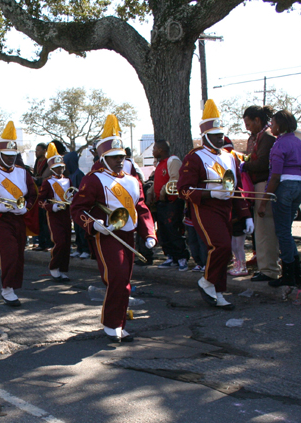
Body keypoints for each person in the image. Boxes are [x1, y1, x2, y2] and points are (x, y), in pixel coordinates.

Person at [71, 115, 156, 342]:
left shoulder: (132, 180)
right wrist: (93, 224)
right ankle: (111, 324)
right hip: (106, 235)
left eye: (121, 157)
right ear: (103, 158)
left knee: (124, 281)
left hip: (128, 234)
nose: (119, 161)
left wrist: (148, 232)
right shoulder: (93, 180)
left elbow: (141, 207)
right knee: (117, 277)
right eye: (114, 157)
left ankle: (119, 322)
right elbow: (77, 208)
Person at [179, 100, 253, 310]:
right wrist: (211, 192)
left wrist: (246, 215)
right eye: (215, 135)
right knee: (219, 246)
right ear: (205, 137)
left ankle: (218, 292)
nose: (220, 138)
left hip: (226, 208)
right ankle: (206, 282)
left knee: (225, 250)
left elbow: (237, 189)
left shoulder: (231, 158)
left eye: (221, 135)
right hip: (204, 208)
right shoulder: (194, 157)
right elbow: (184, 189)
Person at [0, 121, 37, 306]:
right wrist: (0, 208)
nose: (10, 159)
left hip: (19, 218)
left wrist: (27, 207)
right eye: (6, 156)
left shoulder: (23, 173)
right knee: (8, 252)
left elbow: (32, 194)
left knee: (19, 253)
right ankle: (6, 289)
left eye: (13, 155)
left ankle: (12, 286)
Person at [258, 109, 301, 288]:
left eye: (273, 123)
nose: (271, 126)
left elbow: (275, 176)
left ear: (279, 125)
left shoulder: (278, 145)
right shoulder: (300, 143)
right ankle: (297, 275)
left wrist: (263, 202)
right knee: (288, 231)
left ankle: (289, 275)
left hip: (284, 187)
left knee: (283, 233)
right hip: (299, 187)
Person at [241, 105, 280, 282]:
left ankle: (269, 270)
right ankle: (265, 267)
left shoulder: (268, 137)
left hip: (264, 184)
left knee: (266, 230)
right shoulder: (260, 137)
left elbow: (264, 163)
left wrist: (245, 164)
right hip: (259, 184)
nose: (247, 128)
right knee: (262, 229)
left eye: (248, 124)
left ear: (257, 120)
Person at [152, 139, 190, 271]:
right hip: (161, 203)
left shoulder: (173, 161)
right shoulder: (159, 164)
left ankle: (181, 257)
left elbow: (175, 179)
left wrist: (163, 191)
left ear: (161, 150)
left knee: (173, 229)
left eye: (155, 148)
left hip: (172, 202)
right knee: (163, 230)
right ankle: (170, 256)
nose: (153, 151)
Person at [38, 143, 72, 281]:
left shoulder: (68, 180)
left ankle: (62, 269)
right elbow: (40, 201)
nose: (59, 169)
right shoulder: (47, 182)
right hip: (54, 215)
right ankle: (54, 267)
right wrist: (52, 207)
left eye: (61, 167)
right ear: (52, 168)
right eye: (56, 167)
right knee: (60, 241)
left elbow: (70, 195)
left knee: (67, 242)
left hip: (66, 214)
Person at [64, 150, 90, 259]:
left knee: (82, 228)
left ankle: (86, 250)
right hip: (74, 206)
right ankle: (79, 249)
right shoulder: (71, 175)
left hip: (81, 207)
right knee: (76, 227)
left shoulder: (79, 175)